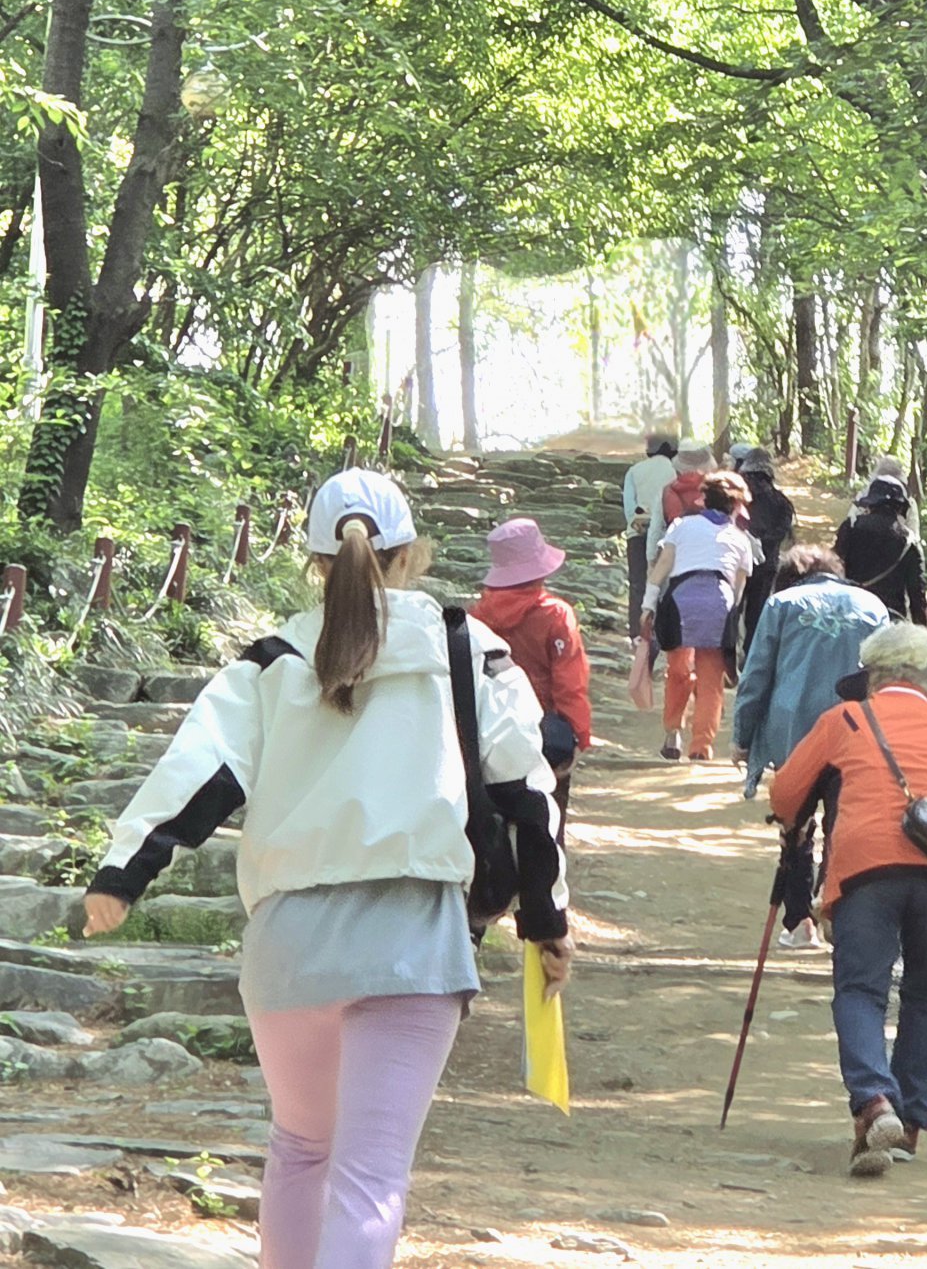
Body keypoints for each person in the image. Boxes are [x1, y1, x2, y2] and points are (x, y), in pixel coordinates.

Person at [81, 468, 572, 1269]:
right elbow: (527, 792)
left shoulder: (272, 659)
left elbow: (201, 769)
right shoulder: (468, 649)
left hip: (290, 944)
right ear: (412, 554)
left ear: (314, 563)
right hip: (412, 938)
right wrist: (546, 922)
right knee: (370, 1176)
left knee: (301, 1147)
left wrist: (122, 876)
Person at [771, 624, 927, 1176]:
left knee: (860, 989)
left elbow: (787, 792)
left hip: (865, 871)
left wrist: (791, 825)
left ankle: (874, 1101)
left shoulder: (845, 720)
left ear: (873, 674)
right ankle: (910, 1124)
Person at [732, 546, 889, 948]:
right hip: (855, 731)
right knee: (844, 823)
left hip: (794, 729)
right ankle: (832, 905)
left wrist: (742, 736)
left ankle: (799, 921)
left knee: (794, 825)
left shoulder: (781, 604)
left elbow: (757, 673)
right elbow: (886, 676)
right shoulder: (872, 606)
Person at [471, 517, 592, 845]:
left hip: (488, 731)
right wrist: (579, 735)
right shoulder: (556, 615)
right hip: (544, 734)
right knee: (548, 820)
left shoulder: (475, 618)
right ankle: (547, 870)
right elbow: (569, 684)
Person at [642, 470, 753, 761]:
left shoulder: (681, 526)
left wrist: (648, 605)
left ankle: (672, 732)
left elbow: (662, 567)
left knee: (678, 671)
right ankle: (701, 746)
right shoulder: (741, 539)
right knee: (711, 680)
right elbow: (738, 590)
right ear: (736, 505)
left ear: (704, 499)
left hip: (681, 601)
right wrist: (730, 621)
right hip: (719, 604)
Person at [833, 476, 927, 624]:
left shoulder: (851, 527)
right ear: (900, 507)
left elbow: (834, 569)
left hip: (852, 613)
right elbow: (917, 596)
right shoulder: (909, 542)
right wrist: (921, 630)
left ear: (870, 503)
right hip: (890, 620)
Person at [737, 448, 796, 659]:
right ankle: (750, 658)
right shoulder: (782, 502)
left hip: (736, 563)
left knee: (732, 612)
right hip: (766, 566)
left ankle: (727, 659)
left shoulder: (736, 499)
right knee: (756, 615)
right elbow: (783, 534)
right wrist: (762, 544)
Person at [623, 433, 677, 640]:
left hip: (637, 532)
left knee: (637, 582)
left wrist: (635, 521)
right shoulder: (675, 471)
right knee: (663, 581)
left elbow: (629, 507)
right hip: (666, 533)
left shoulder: (634, 471)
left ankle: (636, 632)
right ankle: (661, 630)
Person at [646, 440, 715, 561]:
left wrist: (651, 558)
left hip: (678, 555)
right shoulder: (717, 490)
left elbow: (656, 530)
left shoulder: (667, 491)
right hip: (711, 553)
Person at [849, 455, 922, 544]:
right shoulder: (909, 500)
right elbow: (914, 536)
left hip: (863, 544)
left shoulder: (864, 494)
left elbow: (851, 520)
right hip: (895, 548)